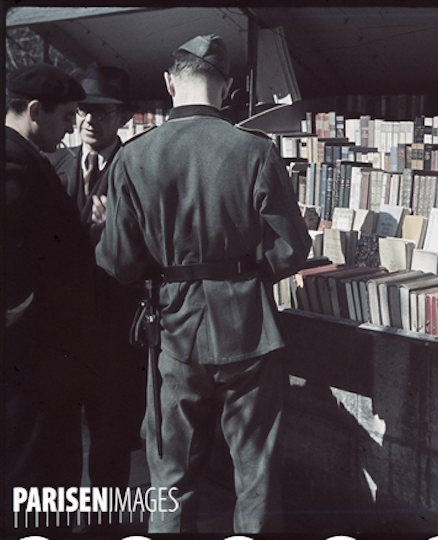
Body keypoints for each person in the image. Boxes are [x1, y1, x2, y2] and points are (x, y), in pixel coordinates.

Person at [94, 34, 312, 534]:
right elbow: (288, 251)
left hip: (173, 330)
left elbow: (119, 263)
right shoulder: (255, 151)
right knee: (255, 473)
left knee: (170, 474)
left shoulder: (134, 156)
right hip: (250, 330)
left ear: (170, 82)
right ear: (228, 88)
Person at [47, 64, 147, 525]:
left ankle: (105, 526)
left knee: (109, 433)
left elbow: (150, 248)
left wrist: (116, 230)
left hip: (113, 325)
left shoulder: (138, 168)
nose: (90, 120)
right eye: (84, 110)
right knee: (59, 431)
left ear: (123, 118)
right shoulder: (54, 165)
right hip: (62, 326)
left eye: (103, 112)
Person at [3, 63, 91, 533]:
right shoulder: (15, 162)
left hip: (37, 353)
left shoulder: (24, 156)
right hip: (33, 355)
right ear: (35, 112)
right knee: (34, 467)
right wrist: (17, 308)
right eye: (67, 117)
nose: (73, 127)